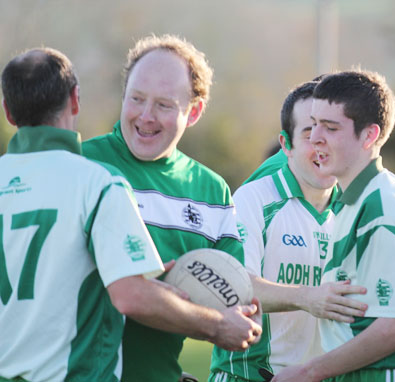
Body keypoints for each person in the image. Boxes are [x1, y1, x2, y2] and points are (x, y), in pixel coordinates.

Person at [82, 34, 262, 382]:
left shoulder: (211, 190)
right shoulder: (82, 165)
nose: (145, 116)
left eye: (164, 105)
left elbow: (236, 291)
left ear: (192, 112)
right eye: (136, 99)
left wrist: (244, 317)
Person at [0, 47, 165, 381]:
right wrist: (217, 325)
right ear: (75, 99)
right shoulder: (99, 182)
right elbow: (131, 295)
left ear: (8, 112)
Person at [273, 70, 395, 382]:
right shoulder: (355, 200)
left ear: (369, 135)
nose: (315, 137)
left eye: (331, 127)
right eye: (313, 124)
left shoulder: (383, 204)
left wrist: (310, 371)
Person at [209, 81, 368, 382]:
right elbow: (238, 288)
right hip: (250, 376)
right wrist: (307, 297)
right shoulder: (253, 198)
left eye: (332, 131)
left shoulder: (358, 209)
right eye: (310, 134)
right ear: (286, 145)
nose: (322, 143)